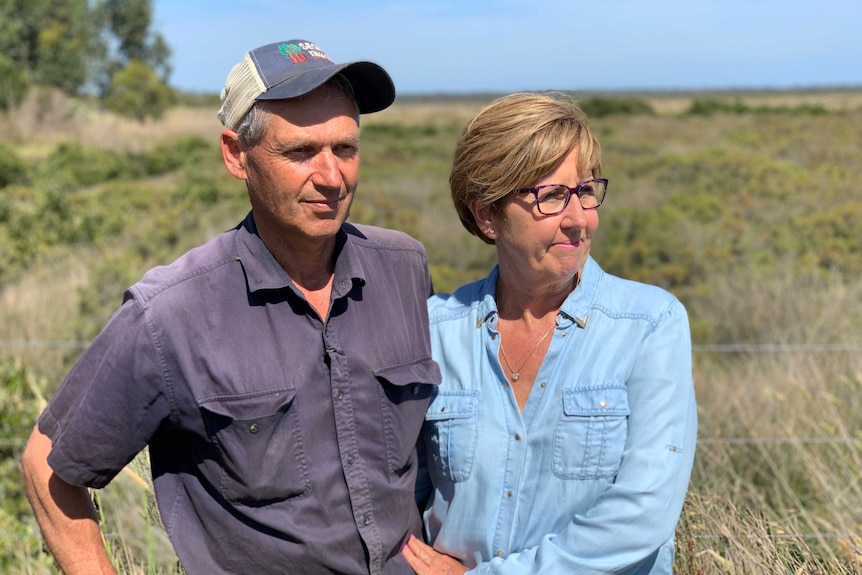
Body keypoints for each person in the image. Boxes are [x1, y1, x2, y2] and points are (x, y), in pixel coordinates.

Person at [20, 39, 440, 575]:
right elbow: (47, 466)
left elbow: (434, 444)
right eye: (301, 151)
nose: (333, 177)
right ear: (236, 155)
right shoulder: (171, 314)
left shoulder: (403, 269)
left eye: (346, 149)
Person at [403, 92, 697, 574]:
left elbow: (642, 515)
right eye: (552, 196)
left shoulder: (649, 324)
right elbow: (401, 492)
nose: (579, 219)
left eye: (585, 191)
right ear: (486, 215)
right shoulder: (435, 329)